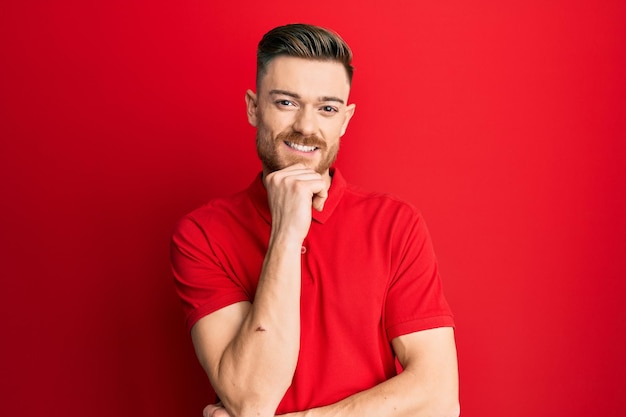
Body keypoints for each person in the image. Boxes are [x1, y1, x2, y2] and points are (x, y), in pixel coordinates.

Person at [171, 23, 459, 417]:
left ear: (344, 119)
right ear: (254, 108)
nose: (307, 126)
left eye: (327, 108)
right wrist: (287, 233)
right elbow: (252, 400)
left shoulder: (396, 224)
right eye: (287, 102)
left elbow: (440, 397)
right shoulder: (202, 234)